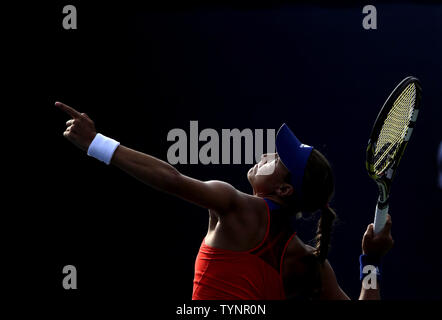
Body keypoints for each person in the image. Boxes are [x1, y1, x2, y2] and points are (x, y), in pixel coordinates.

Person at [55, 101, 394, 300]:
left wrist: (95, 143)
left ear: (284, 190)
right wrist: (372, 262)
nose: (265, 155)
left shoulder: (237, 205)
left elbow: (170, 178)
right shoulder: (310, 262)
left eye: (277, 159)